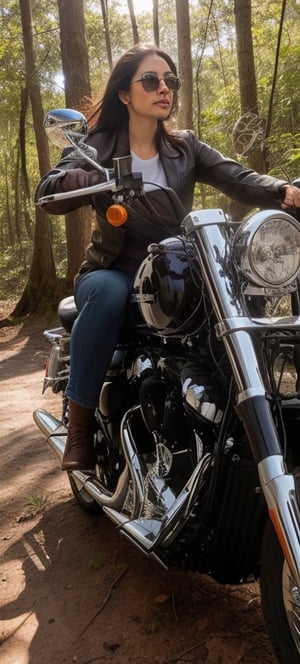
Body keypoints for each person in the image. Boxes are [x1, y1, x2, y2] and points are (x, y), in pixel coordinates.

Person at [35, 43, 300, 472]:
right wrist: (83, 178)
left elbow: (238, 177)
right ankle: (80, 427)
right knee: (106, 293)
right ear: (125, 93)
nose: (165, 89)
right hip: (114, 270)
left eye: (170, 81)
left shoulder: (185, 147)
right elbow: (50, 187)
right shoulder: (99, 146)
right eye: (151, 80)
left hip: (175, 271)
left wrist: (281, 190)